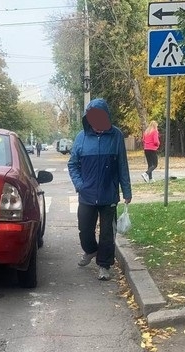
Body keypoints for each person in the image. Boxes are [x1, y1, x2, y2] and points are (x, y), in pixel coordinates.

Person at [68, 98, 132, 281]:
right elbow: (73, 164)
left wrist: (126, 191)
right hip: (86, 194)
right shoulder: (81, 137)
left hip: (108, 193)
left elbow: (122, 165)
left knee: (107, 233)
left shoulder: (116, 136)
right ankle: (90, 250)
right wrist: (80, 185)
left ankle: (104, 265)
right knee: (85, 230)